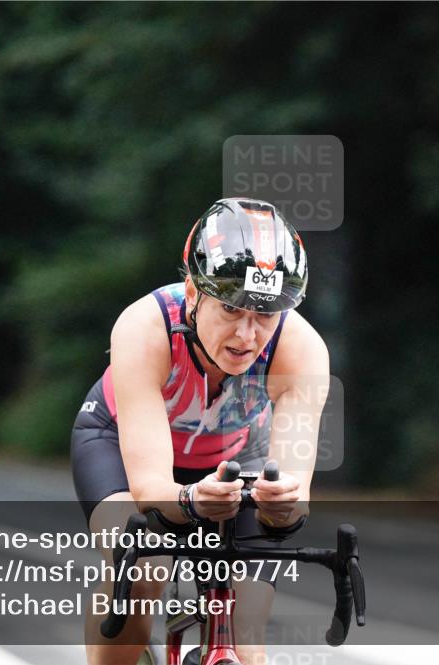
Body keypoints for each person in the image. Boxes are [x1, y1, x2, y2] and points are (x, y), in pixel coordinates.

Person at [70, 198, 328, 665]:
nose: (247, 336)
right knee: (140, 572)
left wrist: (280, 505)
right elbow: (150, 490)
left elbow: (292, 503)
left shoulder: (302, 350)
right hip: (116, 445)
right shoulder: (143, 327)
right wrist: (189, 501)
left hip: (233, 460)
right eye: (231, 309)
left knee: (247, 634)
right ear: (193, 293)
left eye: (266, 314)